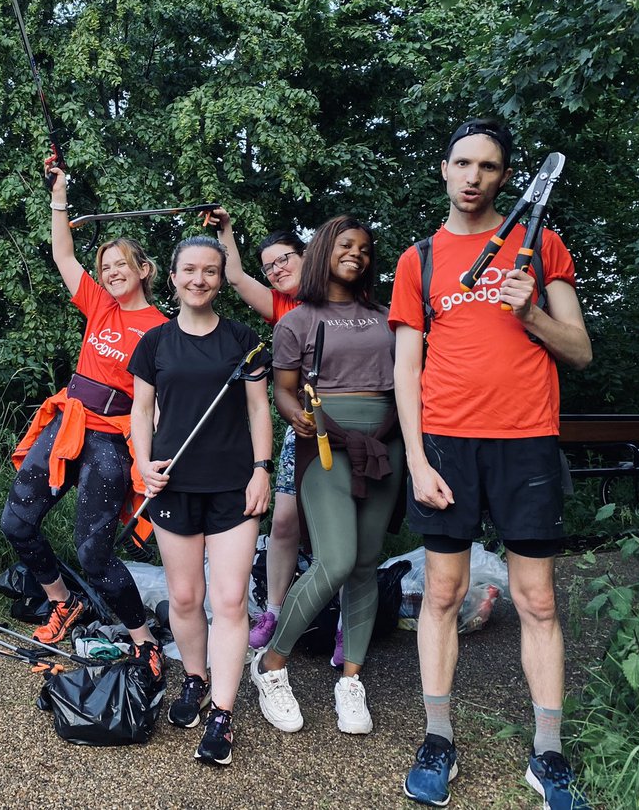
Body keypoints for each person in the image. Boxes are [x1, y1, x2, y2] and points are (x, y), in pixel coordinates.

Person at [389, 119, 592, 808]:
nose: (473, 176)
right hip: (447, 444)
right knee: (441, 595)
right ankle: (437, 739)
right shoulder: (419, 259)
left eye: (488, 166)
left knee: (538, 600)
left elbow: (580, 351)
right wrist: (417, 459)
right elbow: (406, 368)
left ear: (506, 177)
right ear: (444, 169)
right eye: (463, 163)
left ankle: (549, 755)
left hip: (526, 441)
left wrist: (531, 312)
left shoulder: (542, 244)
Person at [0, 166, 167, 678]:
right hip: (68, 424)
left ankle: (143, 641)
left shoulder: (162, 329)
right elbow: (62, 255)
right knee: (16, 523)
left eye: (121, 264)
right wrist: (59, 198)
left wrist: (154, 459)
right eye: (106, 266)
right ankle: (62, 602)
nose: (111, 272)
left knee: (94, 554)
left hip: (111, 441)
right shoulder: (99, 305)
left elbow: (158, 403)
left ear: (143, 269)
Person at [249, 215, 403, 738]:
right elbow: (283, 388)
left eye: (365, 248)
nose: (356, 253)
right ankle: (272, 664)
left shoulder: (388, 316)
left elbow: (409, 380)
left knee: (364, 563)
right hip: (326, 446)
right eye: (345, 245)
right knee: (335, 559)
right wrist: (295, 414)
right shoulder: (297, 320)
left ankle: (351, 680)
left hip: (385, 444)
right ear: (322, 252)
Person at [128, 235, 272, 766]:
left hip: (234, 486)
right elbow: (140, 411)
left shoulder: (242, 339)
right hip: (174, 486)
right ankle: (195, 677)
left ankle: (222, 715)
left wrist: (262, 470)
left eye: (210, 271)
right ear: (172, 277)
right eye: (189, 269)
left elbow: (259, 409)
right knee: (186, 598)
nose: (199, 279)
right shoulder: (155, 343)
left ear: (219, 280)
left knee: (230, 601)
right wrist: (143, 464)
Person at [210, 207, 306, 649]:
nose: (276, 270)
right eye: (269, 266)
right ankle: (274, 611)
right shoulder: (282, 306)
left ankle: (346, 621)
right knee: (284, 523)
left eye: (284, 259)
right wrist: (226, 231)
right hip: (302, 427)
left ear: (307, 256)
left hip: (350, 427)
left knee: (342, 535)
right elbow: (234, 277)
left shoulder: (343, 299)